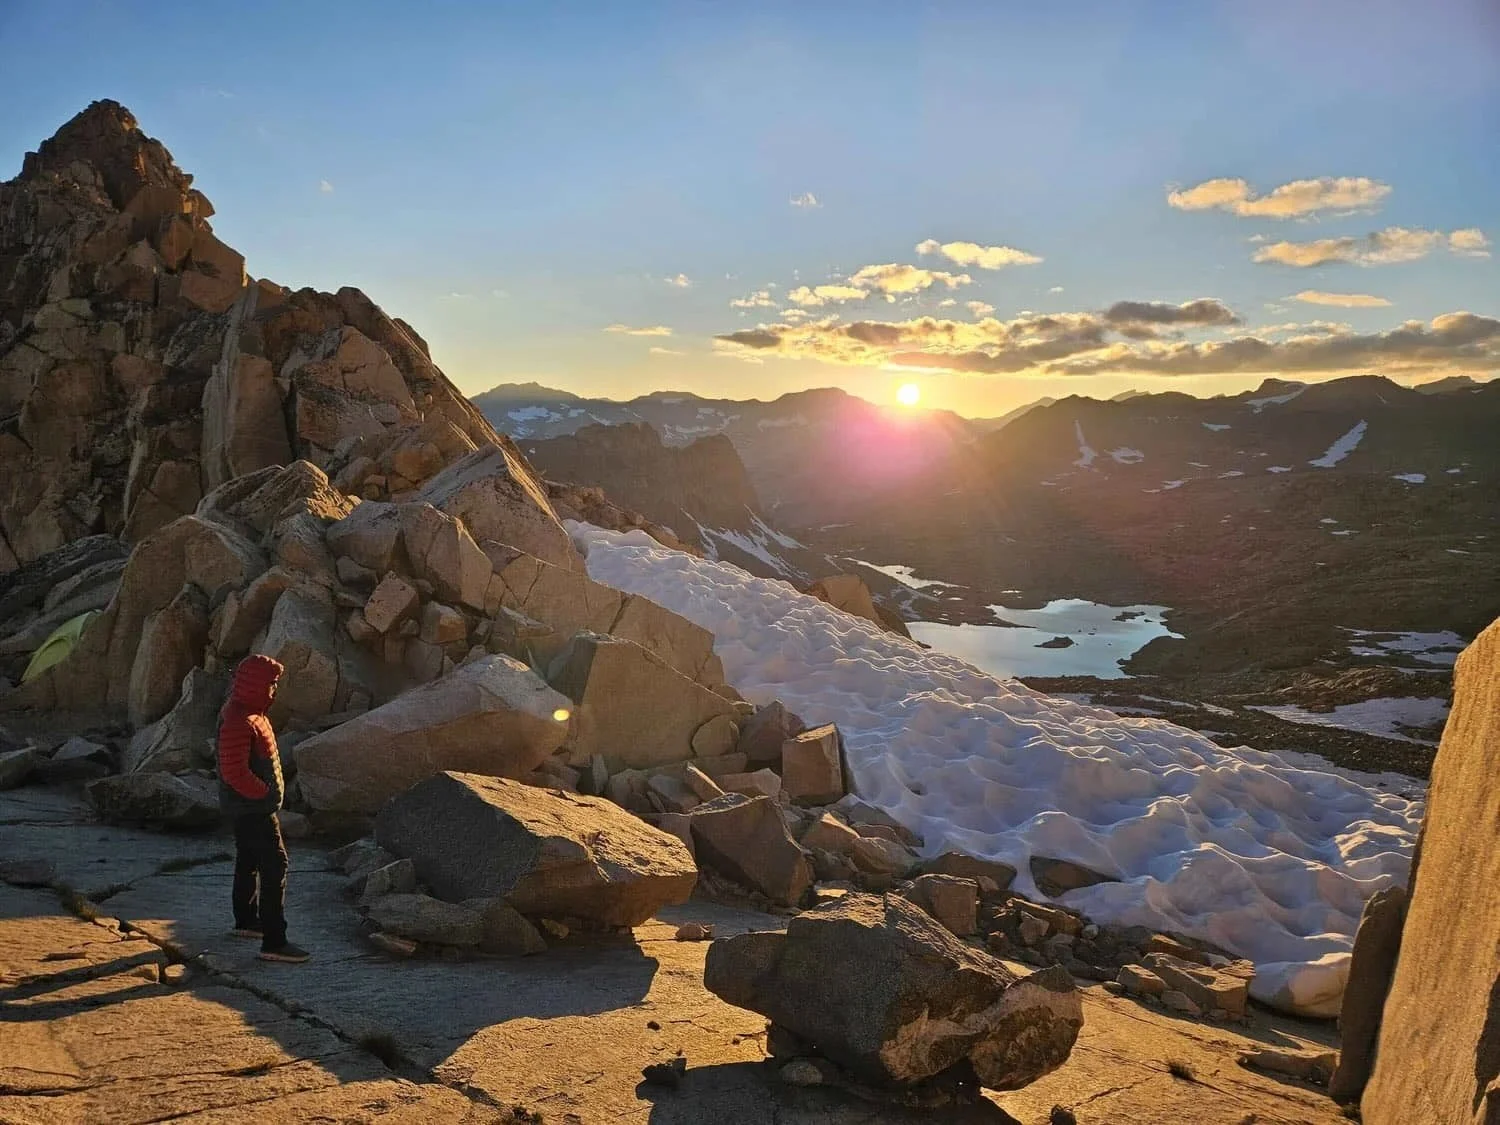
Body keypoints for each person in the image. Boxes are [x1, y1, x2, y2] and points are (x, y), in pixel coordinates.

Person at [216, 653, 309, 963]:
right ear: (255, 685)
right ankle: (275, 941)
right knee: (275, 865)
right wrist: (264, 794)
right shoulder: (239, 719)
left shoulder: (248, 712)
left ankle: (246, 921)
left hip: (248, 807)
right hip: (253, 809)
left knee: (248, 860)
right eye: (271, 684)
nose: (274, 690)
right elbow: (234, 771)